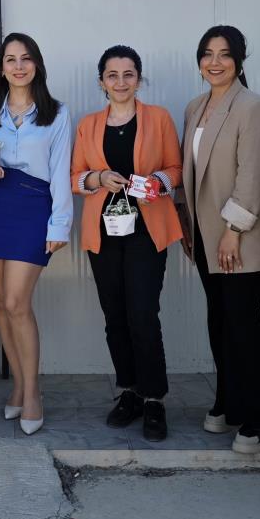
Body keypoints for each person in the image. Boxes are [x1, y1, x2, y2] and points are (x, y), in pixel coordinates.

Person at [179, 25, 260, 455]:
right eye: (207, 53)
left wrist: (233, 231)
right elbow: (190, 174)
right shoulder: (195, 107)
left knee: (243, 323)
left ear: (239, 60)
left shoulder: (254, 107)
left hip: (241, 236)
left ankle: (259, 418)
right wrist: (187, 227)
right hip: (205, 237)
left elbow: (255, 175)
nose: (215, 62)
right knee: (220, 320)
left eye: (224, 54)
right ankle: (229, 401)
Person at [71, 45, 183, 440]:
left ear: (139, 79)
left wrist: (157, 183)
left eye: (128, 74)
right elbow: (75, 177)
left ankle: (154, 399)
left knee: (142, 315)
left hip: (147, 231)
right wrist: (99, 178)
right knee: (115, 317)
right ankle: (130, 391)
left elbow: (176, 169)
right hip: (103, 234)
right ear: (101, 81)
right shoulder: (88, 125)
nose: (120, 82)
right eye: (112, 75)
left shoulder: (159, 118)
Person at [0, 32, 72, 435]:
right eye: (10, 59)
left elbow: (60, 172)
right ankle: (17, 386)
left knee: (16, 302)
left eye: (26, 58)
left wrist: (59, 223)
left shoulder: (56, 113)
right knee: (0, 300)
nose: (18, 66)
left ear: (37, 64)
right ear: (1, 68)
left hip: (33, 208)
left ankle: (33, 393)